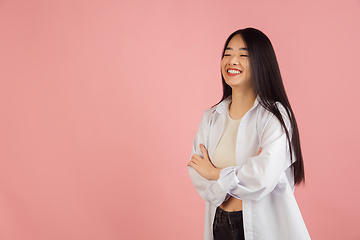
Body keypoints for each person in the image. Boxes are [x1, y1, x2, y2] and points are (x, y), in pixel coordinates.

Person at [187, 28, 311, 240]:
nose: (232, 61)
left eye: (243, 55)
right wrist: (243, 174)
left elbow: (262, 177)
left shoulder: (275, 116)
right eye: (227, 54)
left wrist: (215, 173)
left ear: (261, 63)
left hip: (263, 226)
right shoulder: (211, 117)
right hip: (220, 223)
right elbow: (198, 174)